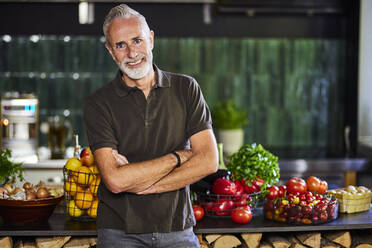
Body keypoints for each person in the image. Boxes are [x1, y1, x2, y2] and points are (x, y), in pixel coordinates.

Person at [83, 3, 218, 248]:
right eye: (120, 45)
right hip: (119, 231)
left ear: (151, 39)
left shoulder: (186, 89)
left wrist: (145, 184)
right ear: (111, 51)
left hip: (177, 227)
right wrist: (179, 156)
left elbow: (208, 161)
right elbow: (115, 180)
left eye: (137, 40)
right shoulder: (98, 104)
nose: (132, 53)